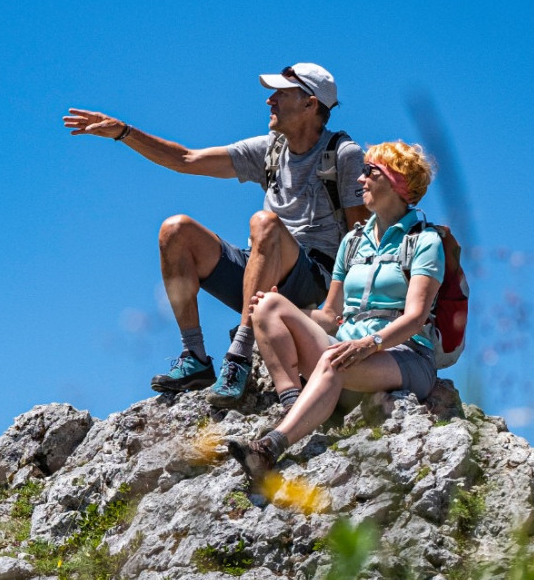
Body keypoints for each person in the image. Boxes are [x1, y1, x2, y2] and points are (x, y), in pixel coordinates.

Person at [64, 64, 368, 404]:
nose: (270, 100)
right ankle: (194, 356)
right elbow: (187, 159)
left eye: (281, 93)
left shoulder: (343, 155)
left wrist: (345, 312)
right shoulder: (270, 149)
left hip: (315, 278)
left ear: (310, 104)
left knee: (263, 223)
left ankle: (239, 356)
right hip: (262, 275)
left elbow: (362, 236)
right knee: (175, 230)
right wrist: (124, 132)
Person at [226, 140, 444, 486]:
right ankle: (294, 405)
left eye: (370, 172)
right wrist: (285, 312)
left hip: (406, 355)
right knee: (267, 305)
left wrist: (368, 344)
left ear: (395, 182)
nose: (360, 180)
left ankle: (269, 447)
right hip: (345, 349)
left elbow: (416, 317)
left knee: (333, 360)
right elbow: (330, 314)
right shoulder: (353, 242)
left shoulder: (424, 241)